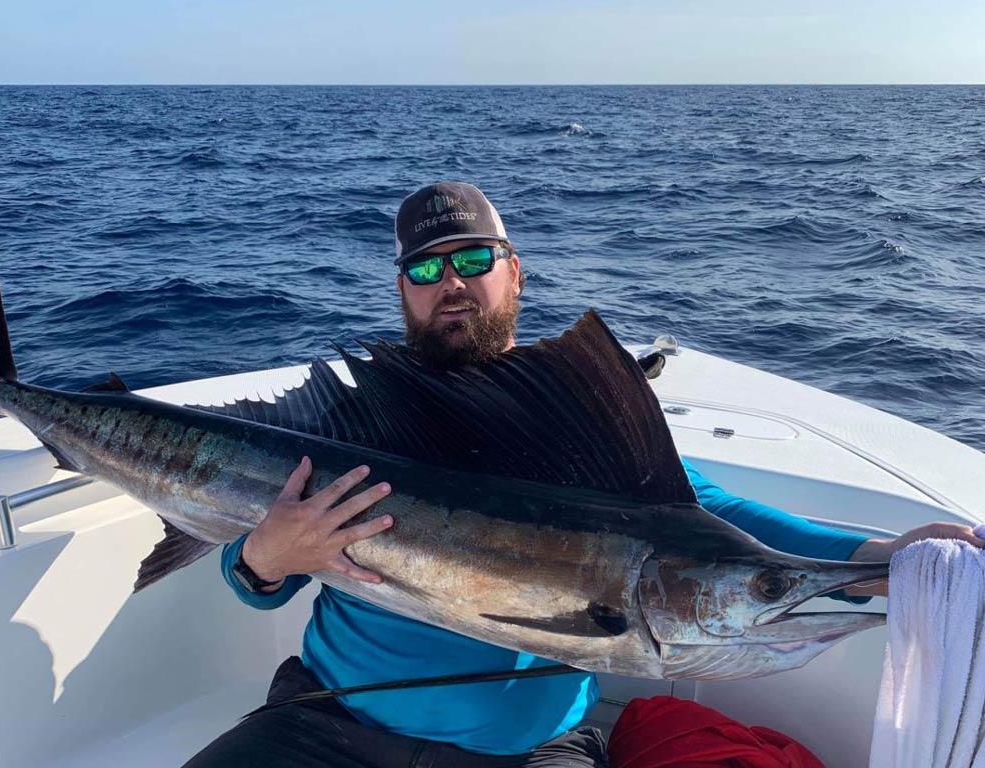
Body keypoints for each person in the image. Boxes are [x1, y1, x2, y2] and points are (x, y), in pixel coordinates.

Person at [184, 182, 983, 768]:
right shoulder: (369, 423)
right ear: (403, 292)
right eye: (426, 271)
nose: (451, 283)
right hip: (325, 728)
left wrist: (879, 557)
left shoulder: (586, 426)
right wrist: (262, 562)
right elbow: (245, 561)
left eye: (471, 259)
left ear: (514, 272)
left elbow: (709, 515)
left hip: (530, 753)